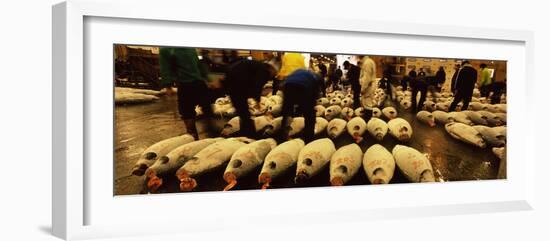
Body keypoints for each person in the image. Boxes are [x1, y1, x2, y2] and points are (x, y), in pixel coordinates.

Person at [159, 47, 214, 139]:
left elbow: (198, 63)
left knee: (204, 108)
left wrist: (208, 78)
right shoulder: (167, 49)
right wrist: (168, 85)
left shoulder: (189, 47)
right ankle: (194, 136)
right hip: (187, 84)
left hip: (196, 83)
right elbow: (165, 67)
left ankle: (210, 133)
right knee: (189, 111)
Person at [224, 59, 277, 138]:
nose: (273, 76)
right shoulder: (264, 71)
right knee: (244, 111)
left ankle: (245, 131)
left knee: (242, 110)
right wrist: (258, 101)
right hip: (238, 81)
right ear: (270, 69)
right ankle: (250, 134)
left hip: (231, 78)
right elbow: (257, 86)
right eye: (274, 73)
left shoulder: (258, 66)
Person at [279, 69, 324, 143]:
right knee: (309, 115)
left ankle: (283, 135)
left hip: (288, 86)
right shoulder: (315, 78)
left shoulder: (299, 71)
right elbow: (314, 94)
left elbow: (287, 79)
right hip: (303, 88)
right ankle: (308, 139)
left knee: (286, 111)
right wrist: (311, 106)